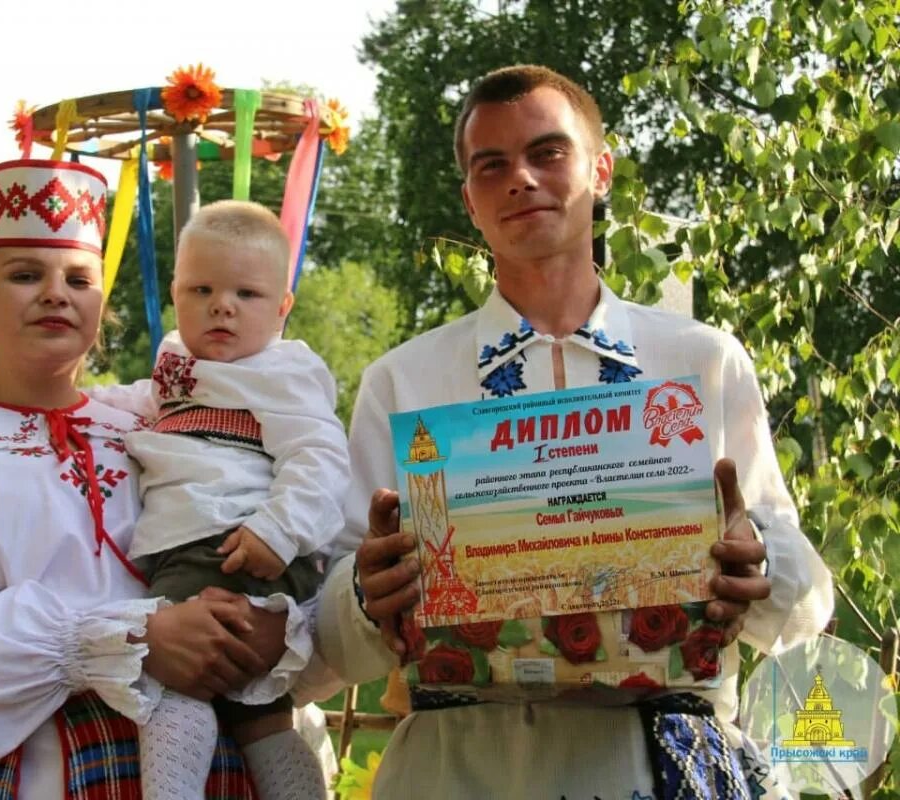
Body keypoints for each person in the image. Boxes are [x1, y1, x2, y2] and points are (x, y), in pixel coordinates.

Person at [312, 65, 835, 798]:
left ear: (602, 170)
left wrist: (759, 570)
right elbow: (327, 647)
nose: (521, 179)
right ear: (470, 201)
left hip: (657, 768)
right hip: (456, 771)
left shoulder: (703, 362)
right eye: (491, 166)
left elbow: (808, 606)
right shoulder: (403, 382)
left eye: (548, 152)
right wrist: (369, 594)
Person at [0, 158, 286, 799]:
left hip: (211, 763)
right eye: (25, 275)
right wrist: (134, 638)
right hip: (37, 774)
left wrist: (274, 622)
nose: (56, 294)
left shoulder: (154, 428)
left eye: (79, 278)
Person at [91, 200, 348, 800]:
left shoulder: (281, 373)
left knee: (171, 688)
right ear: (176, 296)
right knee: (262, 716)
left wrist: (277, 531)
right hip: (202, 547)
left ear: (283, 309)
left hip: (230, 543)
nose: (222, 305)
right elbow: (140, 401)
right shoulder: (181, 368)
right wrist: (79, 404)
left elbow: (320, 459)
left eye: (247, 294)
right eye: (201, 289)